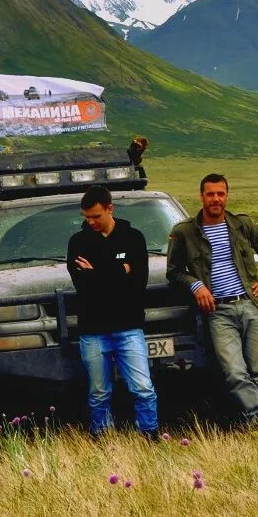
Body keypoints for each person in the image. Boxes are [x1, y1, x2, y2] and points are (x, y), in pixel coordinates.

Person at [166, 173, 258, 427]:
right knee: (234, 373)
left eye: (220, 194)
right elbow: (174, 271)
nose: (216, 199)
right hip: (218, 311)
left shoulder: (243, 225)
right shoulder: (184, 232)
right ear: (201, 197)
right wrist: (196, 285)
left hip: (251, 306)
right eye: (210, 194)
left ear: (227, 196)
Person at [67, 184, 160, 438]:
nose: (91, 222)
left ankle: (149, 435)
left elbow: (138, 284)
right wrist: (120, 270)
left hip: (129, 326)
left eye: (96, 216)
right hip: (93, 330)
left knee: (142, 387)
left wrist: (97, 272)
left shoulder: (134, 238)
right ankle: (102, 437)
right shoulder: (77, 242)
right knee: (99, 391)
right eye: (86, 217)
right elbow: (83, 287)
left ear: (110, 209)